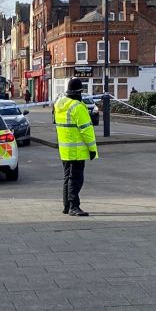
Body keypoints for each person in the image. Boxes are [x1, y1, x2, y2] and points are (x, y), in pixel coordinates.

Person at [53, 78, 97, 216]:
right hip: (77, 151)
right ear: (79, 92)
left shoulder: (60, 104)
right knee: (76, 179)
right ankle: (74, 206)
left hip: (65, 149)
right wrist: (92, 149)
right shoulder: (77, 107)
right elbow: (87, 130)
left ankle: (66, 206)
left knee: (68, 177)